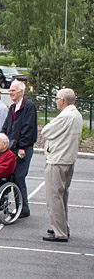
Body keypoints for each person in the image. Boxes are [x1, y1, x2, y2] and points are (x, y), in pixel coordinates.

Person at [41, 88, 82, 242]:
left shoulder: (65, 116)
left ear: (63, 100)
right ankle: (62, 226)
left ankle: (59, 231)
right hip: (68, 159)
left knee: (54, 197)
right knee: (62, 195)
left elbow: (46, 131)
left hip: (57, 160)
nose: (56, 101)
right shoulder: (76, 114)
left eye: (57, 98)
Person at [1, 80, 37, 218]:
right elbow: (7, 126)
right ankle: (6, 204)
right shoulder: (12, 107)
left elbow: (28, 128)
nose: (10, 93)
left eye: (13, 90)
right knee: (8, 176)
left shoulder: (28, 107)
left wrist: (22, 146)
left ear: (21, 92)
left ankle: (23, 208)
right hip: (11, 147)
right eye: (10, 90)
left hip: (23, 148)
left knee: (19, 177)